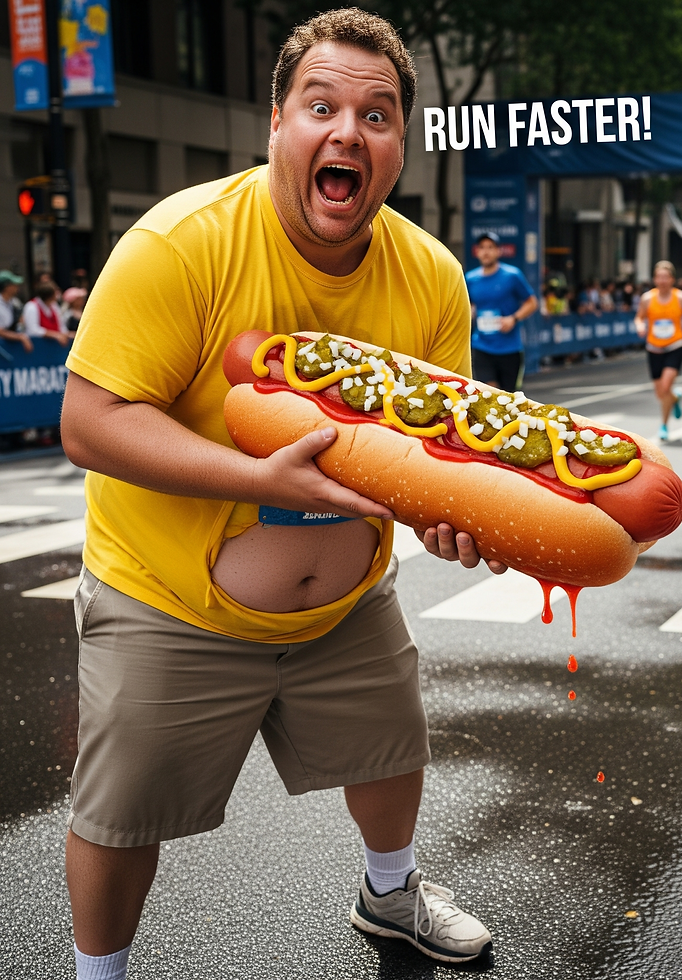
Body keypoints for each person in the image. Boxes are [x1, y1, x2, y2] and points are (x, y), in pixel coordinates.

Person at [59, 12, 497, 978]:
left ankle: (392, 894)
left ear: (398, 147)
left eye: (376, 115)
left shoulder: (431, 276)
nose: (348, 131)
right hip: (167, 600)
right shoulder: (180, 244)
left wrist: (460, 515)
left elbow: (441, 453)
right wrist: (257, 478)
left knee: (392, 749)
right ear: (276, 124)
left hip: (347, 605)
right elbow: (89, 422)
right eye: (322, 105)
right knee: (121, 813)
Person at [465, 231, 538, 393]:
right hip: (481, 345)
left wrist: (513, 318)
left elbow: (532, 303)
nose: (486, 251)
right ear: (477, 252)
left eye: (490, 247)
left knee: (508, 397)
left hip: (509, 348)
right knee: (489, 392)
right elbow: (469, 305)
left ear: (498, 251)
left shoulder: (512, 276)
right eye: (482, 247)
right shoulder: (470, 278)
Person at [634, 260, 682, 441]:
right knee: (660, 393)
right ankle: (676, 398)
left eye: (666, 277)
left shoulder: (681, 297)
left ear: (672, 279)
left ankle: (663, 425)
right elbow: (638, 318)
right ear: (655, 279)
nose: (662, 280)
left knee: (665, 385)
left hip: (675, 346)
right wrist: (640, 326)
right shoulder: (647, 298)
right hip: (653, 348)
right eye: (659, 277)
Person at [23, 281, 73, 346]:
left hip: (54, 347)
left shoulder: (54, 306)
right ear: (50, 296)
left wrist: (67, 334)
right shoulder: (31, 307)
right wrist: (55, 335)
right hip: (38, 347)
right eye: (56, 293)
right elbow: (33, 330)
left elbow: (61, 326)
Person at [0, 269, 31, 354]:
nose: (17, 287)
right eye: (14, 284)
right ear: (7, 287)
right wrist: (20, 337)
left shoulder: (14, 302)